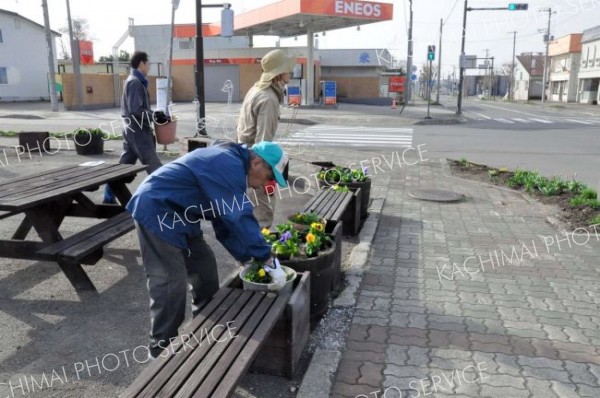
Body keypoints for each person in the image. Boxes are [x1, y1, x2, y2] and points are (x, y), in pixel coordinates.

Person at [126, 141, 289, 359]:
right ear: (257, 162)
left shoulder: (234, 164)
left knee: (205, 270)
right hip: (157, 210)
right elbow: (239, 216)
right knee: (169, 284)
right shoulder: (227, 164)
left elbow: (225, 222)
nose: (265, 185)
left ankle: (205, 332)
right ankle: (160, 352)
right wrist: (266, 258)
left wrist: (247, 258)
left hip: (182, 215)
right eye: (270, 177)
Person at [237, 49, 295, 227]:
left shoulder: (257, 89)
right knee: (264, 215)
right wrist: (269, 176)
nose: (290, 72)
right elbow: (263, 145)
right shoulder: (268, 99)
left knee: (253, 210)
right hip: (257, 162)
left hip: (245, 156)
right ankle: (261, 253)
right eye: (287, 69)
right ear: (278, 73)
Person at [103, 51, 162, 204]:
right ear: (142, 64)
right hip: (138, 131)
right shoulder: (136, 82)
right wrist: (154, 116)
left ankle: (109, 197)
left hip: (131, 129)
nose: (149, 67)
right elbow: (136, 110)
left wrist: (154, 114)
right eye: (148, 63)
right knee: (154, 165)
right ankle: (165, 198)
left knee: (124, 166)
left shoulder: (133, 80)